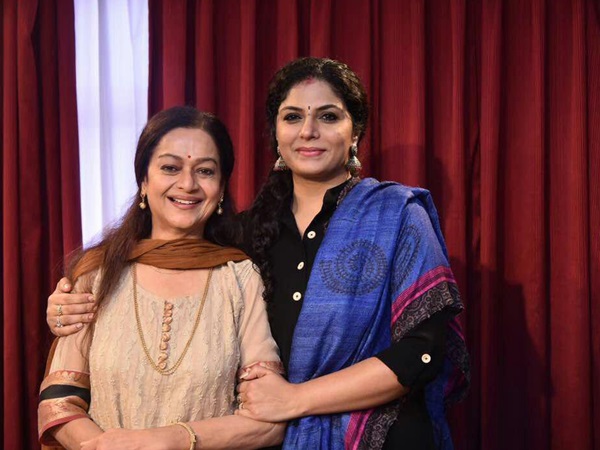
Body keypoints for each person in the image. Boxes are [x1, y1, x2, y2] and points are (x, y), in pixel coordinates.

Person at [47, 58, 470, 449]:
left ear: (355, 130)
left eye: (328, 116)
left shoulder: (396, 216)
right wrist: (69, 306)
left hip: (383, 436)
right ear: (276, 133)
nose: (308, 131)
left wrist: (295, 399)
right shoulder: (243, 239)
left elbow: (422, 353)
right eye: (293, 117)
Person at [38, 106, 285, 450]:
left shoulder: (241, 279)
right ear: (144, 181)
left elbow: (268, 420)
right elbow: (59, 402)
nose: (187, 184)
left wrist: (167, 440)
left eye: (205, 171)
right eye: (170, 167)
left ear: (221, 189)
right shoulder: (97, 274)